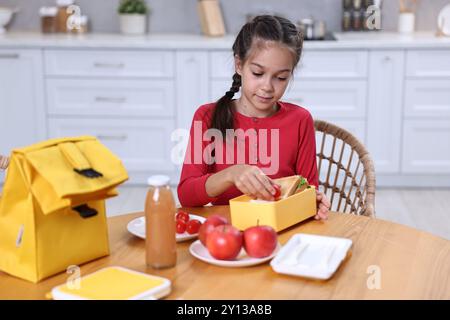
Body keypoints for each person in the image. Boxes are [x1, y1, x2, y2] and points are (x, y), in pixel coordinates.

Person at [178, 15, 329, 220]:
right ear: (239, 65)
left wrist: (314, 201)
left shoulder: (300, 120)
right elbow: (186, 195)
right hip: (223, 234)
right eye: (258, 73)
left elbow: (306, 189)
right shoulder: (207, 117)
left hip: (280, 233)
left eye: (281, 77)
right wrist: (231, 174)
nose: (267, 86)